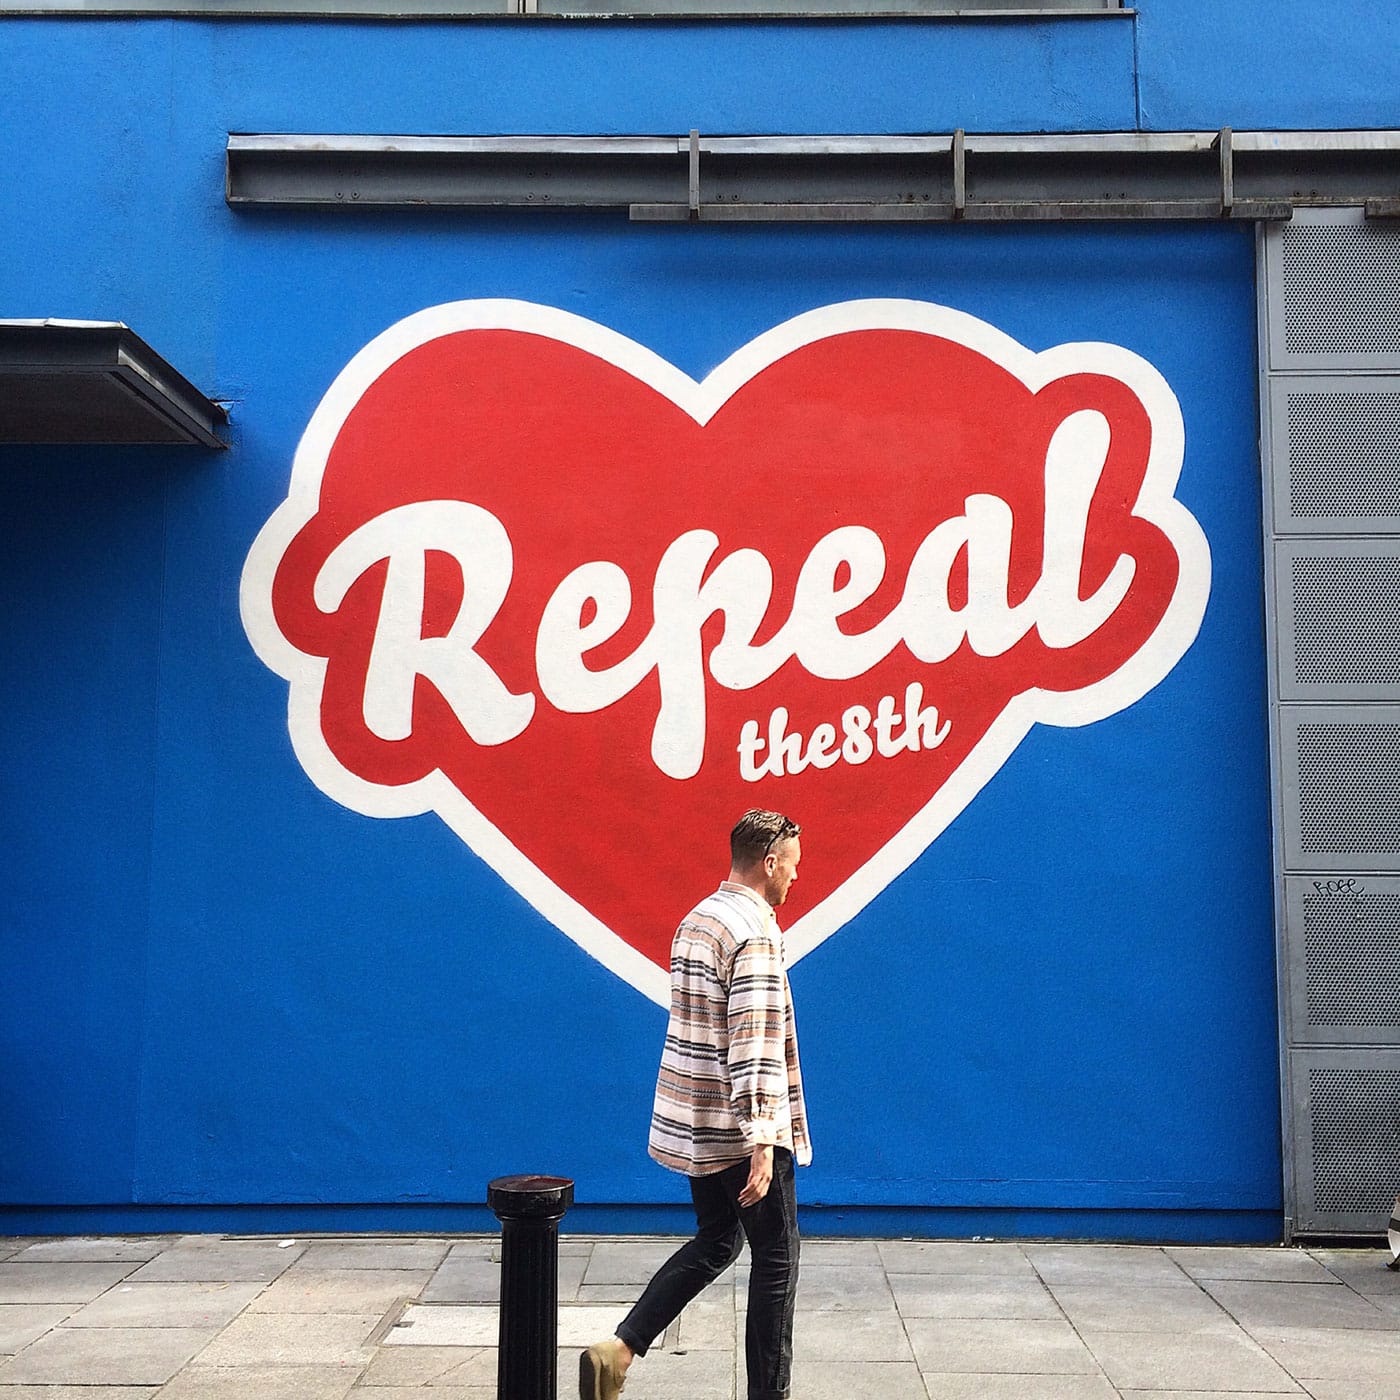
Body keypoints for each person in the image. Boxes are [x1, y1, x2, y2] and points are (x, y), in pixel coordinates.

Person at [580, 809, 812, 1400]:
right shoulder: (754, 932)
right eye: (792, 865)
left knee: (717, 1240)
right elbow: (752, 1039)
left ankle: (620, 1349)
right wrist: (763, 1141)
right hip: (744, 1127)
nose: (795, 878)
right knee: (778, 1260)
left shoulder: (699, 919)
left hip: (700, 1123)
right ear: (768, 862)